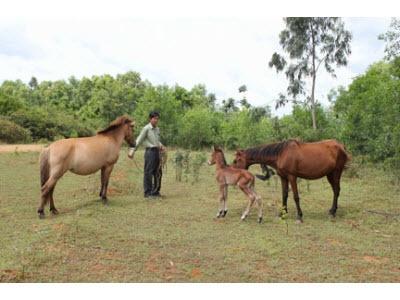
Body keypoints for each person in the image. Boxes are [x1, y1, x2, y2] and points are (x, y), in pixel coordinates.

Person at [128, 111, 166, 198]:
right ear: (150, 119)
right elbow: (139, 140)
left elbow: (156, 140)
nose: (156, 120)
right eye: (154, 118)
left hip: (157, 152)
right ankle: (148, 193)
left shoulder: (157, 129)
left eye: (157, 118)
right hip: (150, 152)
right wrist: (132, 150)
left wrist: (161, 145)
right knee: (148, 172)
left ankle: (156, 191)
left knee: (158, 172)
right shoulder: (146, 128)